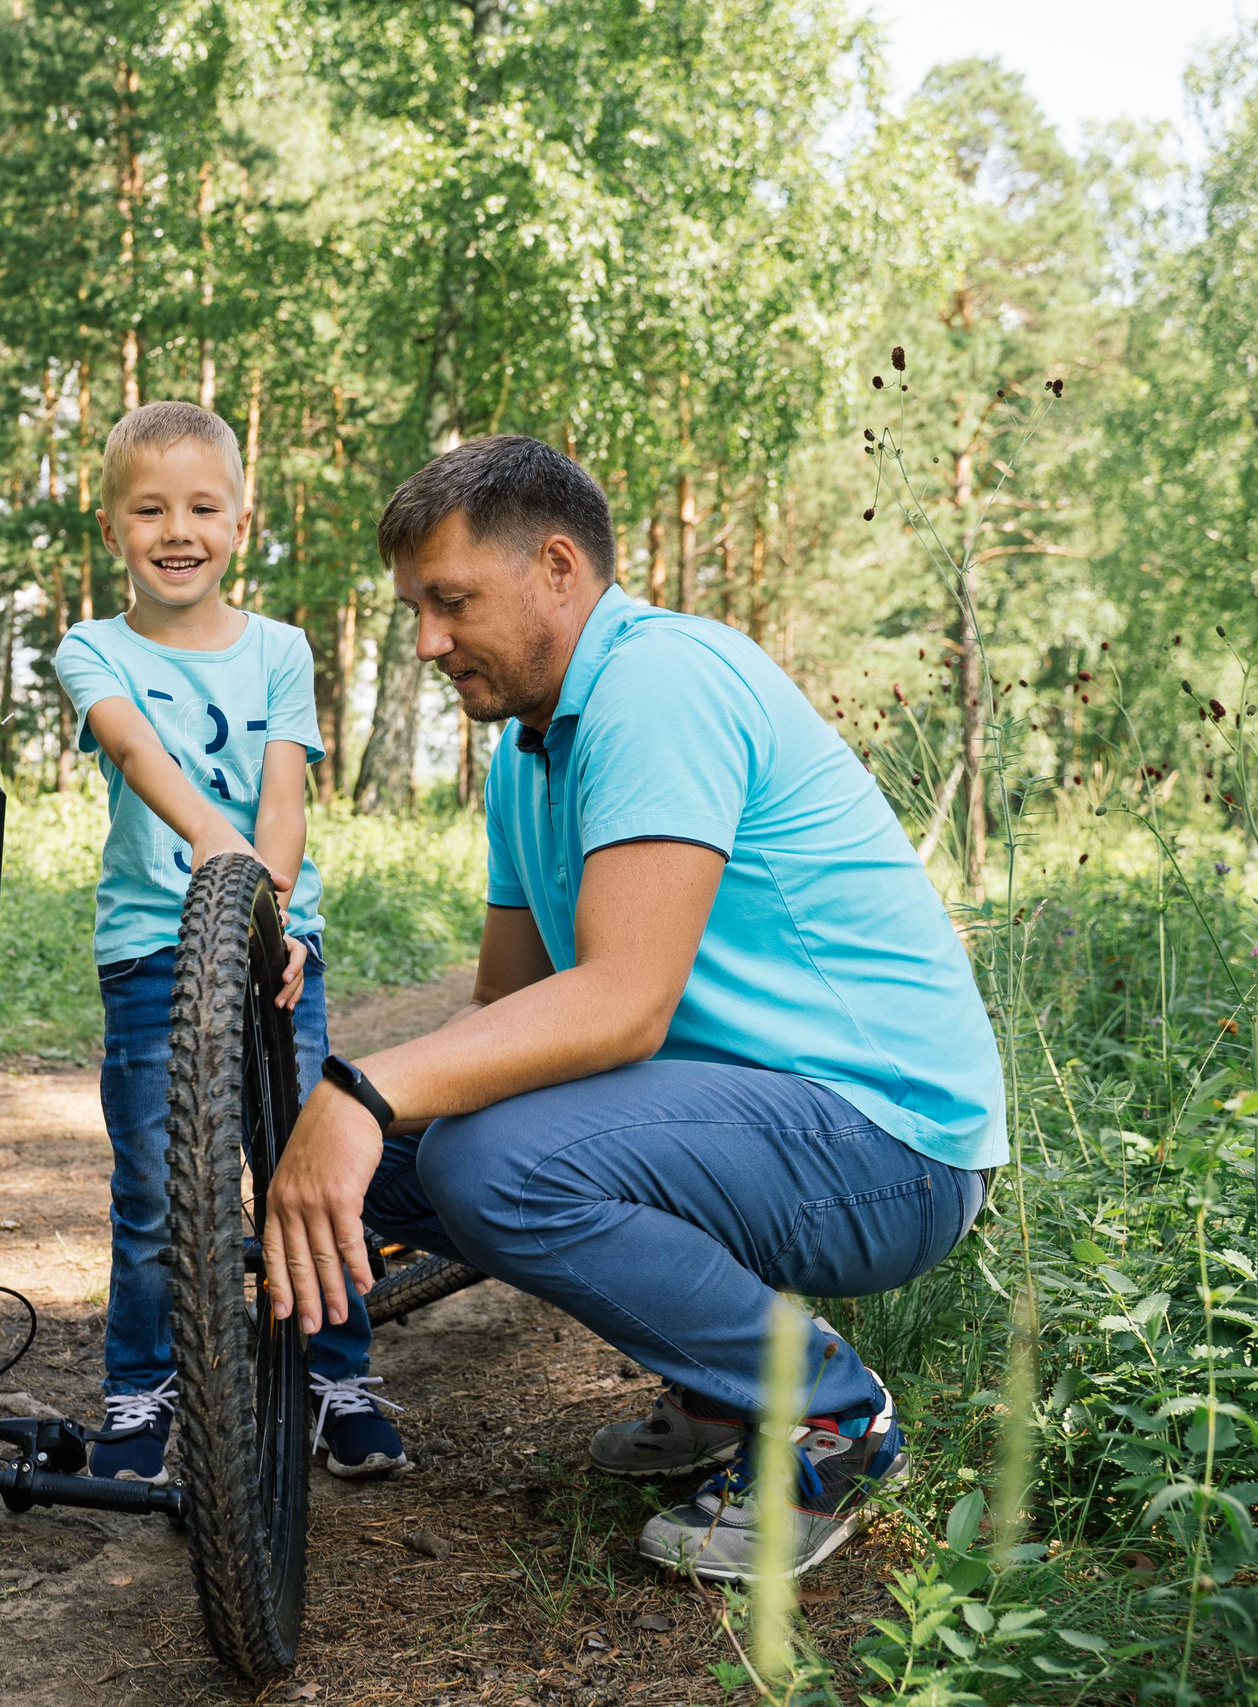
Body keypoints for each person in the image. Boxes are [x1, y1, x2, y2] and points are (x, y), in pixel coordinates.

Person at [261, 435, 1004, 1579]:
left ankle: (830, 1419)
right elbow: (508, 1008)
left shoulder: (660, 683)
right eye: (414, 608)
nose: (425, 642)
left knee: (487, 1162)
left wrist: (361, 1093)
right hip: (753, 1121)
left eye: (450, 601)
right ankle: (720, 1398)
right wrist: (342, 1133)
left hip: (889, 1141)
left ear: (558, 567)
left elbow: (619, 1007)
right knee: (407, 1151)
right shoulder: (526, 749)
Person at [53, 401, 408, 1485]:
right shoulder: (89, 648)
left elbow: (286, 796)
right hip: (151, 952)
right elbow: (134, 748)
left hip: (276, 947)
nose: (178, 529)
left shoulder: (281, 650)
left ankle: (331, 1375)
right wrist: (215, 843)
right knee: (158, 1185)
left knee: (302, 1165)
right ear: (111, 528)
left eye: (202, 507)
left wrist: (278, 914)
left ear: (240, 523)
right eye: (150, 508)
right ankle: (140, 1393)